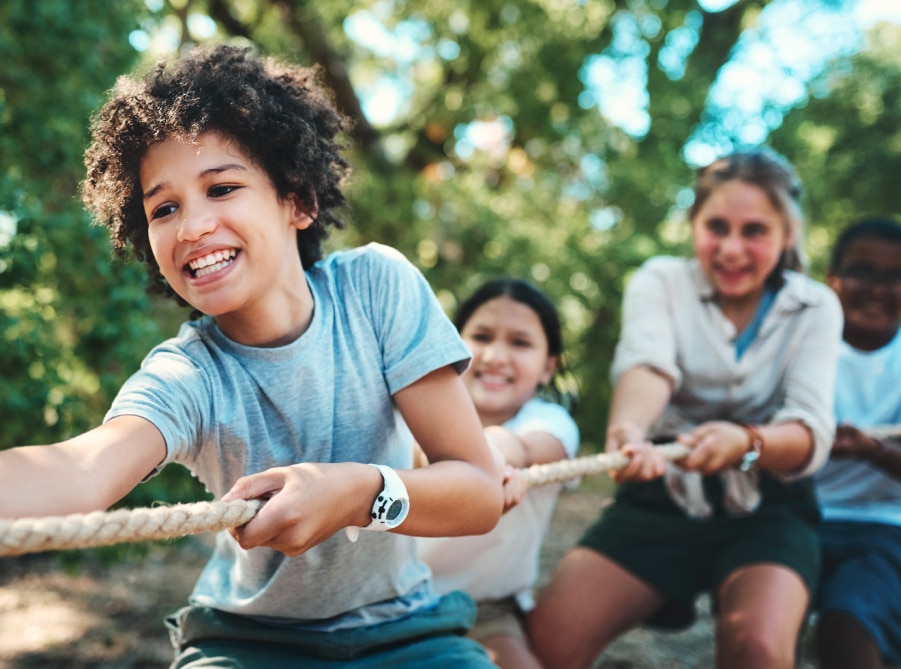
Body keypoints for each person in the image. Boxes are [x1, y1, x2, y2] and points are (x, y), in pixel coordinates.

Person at [0, 44, 505, 668]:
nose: (191, 227)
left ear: (298, 200)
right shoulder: (188, 374)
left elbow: (478, 491)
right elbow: (80, 470)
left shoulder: (378, 289)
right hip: (247, 646)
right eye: (164, 208)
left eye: (223, 187)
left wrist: (354, 492)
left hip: (407, 633)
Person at [526, 147, 843, 669]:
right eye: (716, 226)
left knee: (759, 649)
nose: (732, 248)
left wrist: (746, 442)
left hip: (771, 507)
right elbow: (649, 366)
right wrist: (630, 427)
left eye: (755, 231)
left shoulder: (815, 307)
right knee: (545, 642)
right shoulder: (661, 281)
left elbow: (809, 430)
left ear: (788, 236)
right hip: (663, 495)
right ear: (693, 224)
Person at [416, 278, 580, 669]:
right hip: (388, 604)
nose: (495, 355)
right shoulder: (417, 409)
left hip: (484, 611)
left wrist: (490, 453)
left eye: (520, 343)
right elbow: (419, 455)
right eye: (482, 336)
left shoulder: (549, 421)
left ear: (548, 366)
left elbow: (529, 448)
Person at [814, 217, 901, 669]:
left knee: (847, 627)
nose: (878, 288)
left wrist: (874, 452)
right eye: (862, 271)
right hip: (797, 515)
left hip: (886, 526)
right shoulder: (804, 348)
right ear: (832, 280)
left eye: (894, 277)